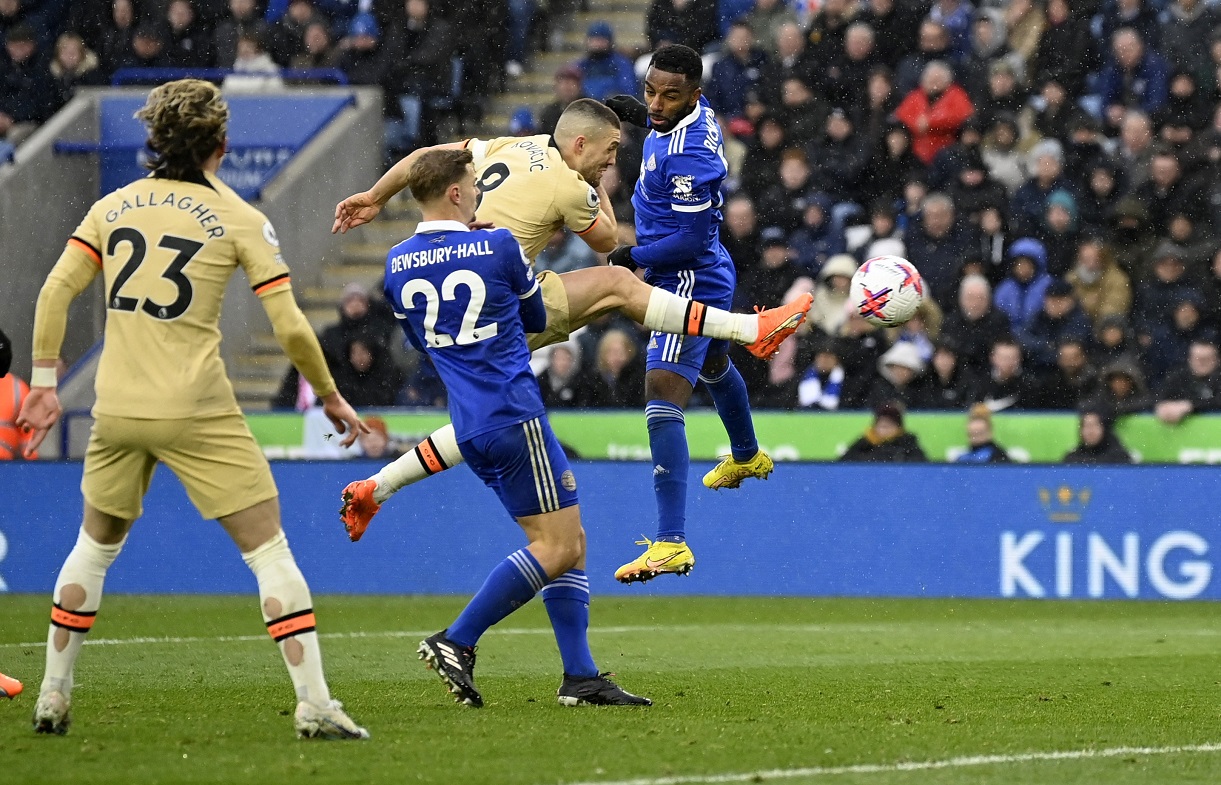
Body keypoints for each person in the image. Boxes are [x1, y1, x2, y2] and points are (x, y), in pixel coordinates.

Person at [15, 79, 369, 740]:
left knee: (93, 547)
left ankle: (53, 696)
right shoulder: (239, 217)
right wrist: (326, 392)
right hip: (195, 404)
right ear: (222, 145)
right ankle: (314, 702)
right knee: (268, 551)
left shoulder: (113, 205)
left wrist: (42, 379)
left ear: (156, 141)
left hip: (115, 405)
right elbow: (290, 325)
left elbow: (57, 287)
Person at [333, 98, 811, 555]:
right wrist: (593, 187)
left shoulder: (507, 145)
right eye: (609, 153)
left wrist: (375, 197)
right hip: (501, 304)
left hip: (449, 310)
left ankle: (377, 487)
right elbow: (607, 237)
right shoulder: (568, 183)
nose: (612, 165)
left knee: (480, 421)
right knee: (618, 285)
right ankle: (750, 331)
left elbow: (422, 157)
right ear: (580, 144)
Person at [384, 148, 651, 708]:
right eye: (473, 186)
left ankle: (580, 676)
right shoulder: (498, 244)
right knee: (557, 546)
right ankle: (457, 639)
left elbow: (421, 343)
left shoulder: (396, 263)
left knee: (568, 541)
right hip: (513, 412)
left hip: (470, 421)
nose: (480, 193)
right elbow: (534, 317)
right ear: (456, 193)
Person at [600, 45, 803, 583]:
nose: (658, 104)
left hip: (686, 274)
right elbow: (664, 124)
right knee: (713, 365)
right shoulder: (686, 115)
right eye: (651, 92)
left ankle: (670, 543)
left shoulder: (690, 156)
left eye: (670, 95)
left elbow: (687, 238)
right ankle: (746, 453)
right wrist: (640, 114)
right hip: (706, 267)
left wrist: (631, 256)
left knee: (662, 392)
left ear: (696, 93)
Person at [1154, 339, 1221, 424]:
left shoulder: (1218, 378)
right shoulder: (1177, 376)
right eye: (1197, 358)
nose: (1201, 363)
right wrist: (1161, 406)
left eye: (1206, 359)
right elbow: (1156, 396)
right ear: (1189, 359)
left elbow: (1217, 401)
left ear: (1217, 360)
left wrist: (1190, 405)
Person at [839, 401, 928, 462]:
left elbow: (919, 466)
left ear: (898, 428)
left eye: (888, 426)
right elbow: (844, 464)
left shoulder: (908, 445)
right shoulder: (864, 444)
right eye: (881, 426)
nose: (884, 430)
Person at [1063, 407, 1134, 464]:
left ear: (1103, 428)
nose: (1090, 431)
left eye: (1094, 425)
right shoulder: (1072, 459)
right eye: (1086, 426)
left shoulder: (1119, 458)